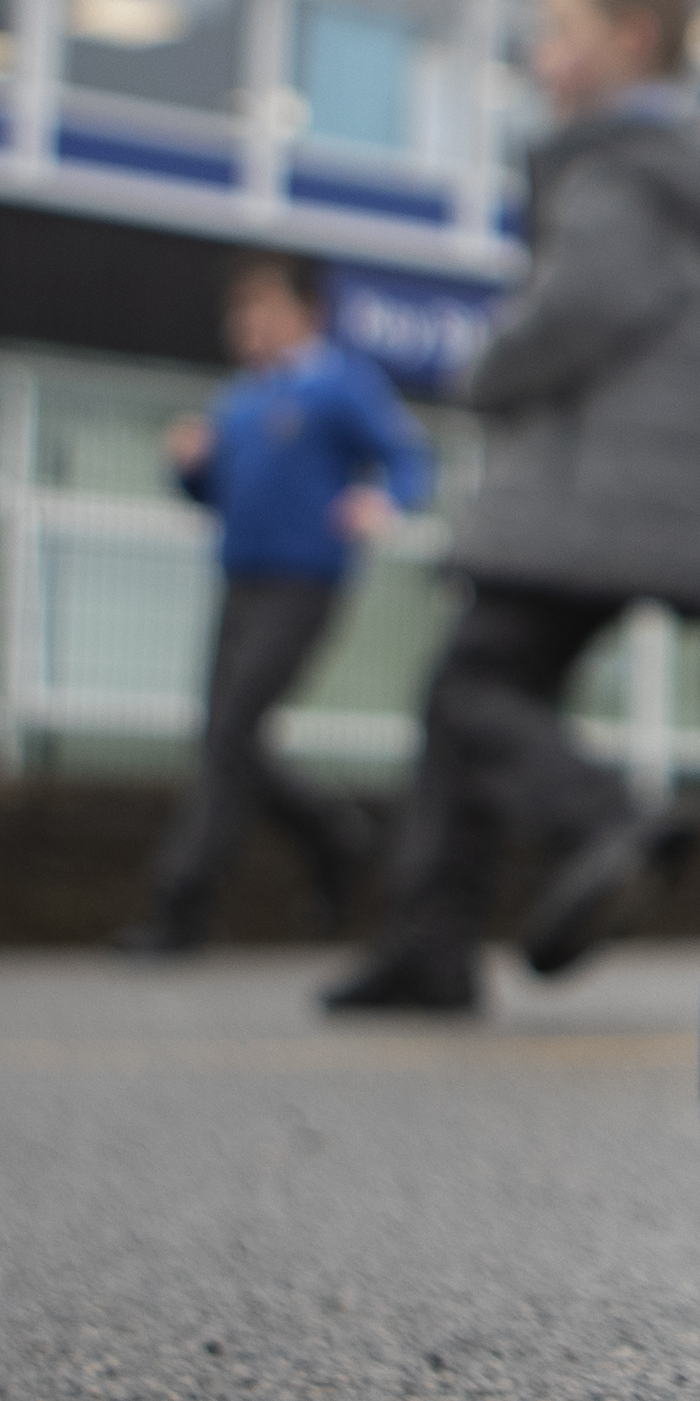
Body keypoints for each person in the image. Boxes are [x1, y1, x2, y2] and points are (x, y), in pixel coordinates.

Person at [323, 0, 700, 1014]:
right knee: (477, 696)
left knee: (471, 683)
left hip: (592, 492)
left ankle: (597, 817)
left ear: (630, 40)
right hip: (665, 495)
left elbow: (574, 311)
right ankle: (429, 945)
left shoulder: (618, 172)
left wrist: (483, 370)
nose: (540, 55)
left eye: (557, 30)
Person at [114, 254, 429, 956]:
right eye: (239, 312)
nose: (246, 326)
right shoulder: (239, 402)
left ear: (307, 314)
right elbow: (215, 495)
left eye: (262, 309)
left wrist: (386, 499)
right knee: (225, 739)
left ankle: (180, 910)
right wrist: (188, 467)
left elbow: (409, 458)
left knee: (231, 731)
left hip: (304, 583)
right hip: (240, 582)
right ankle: (335, 836)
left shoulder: (339, 386)